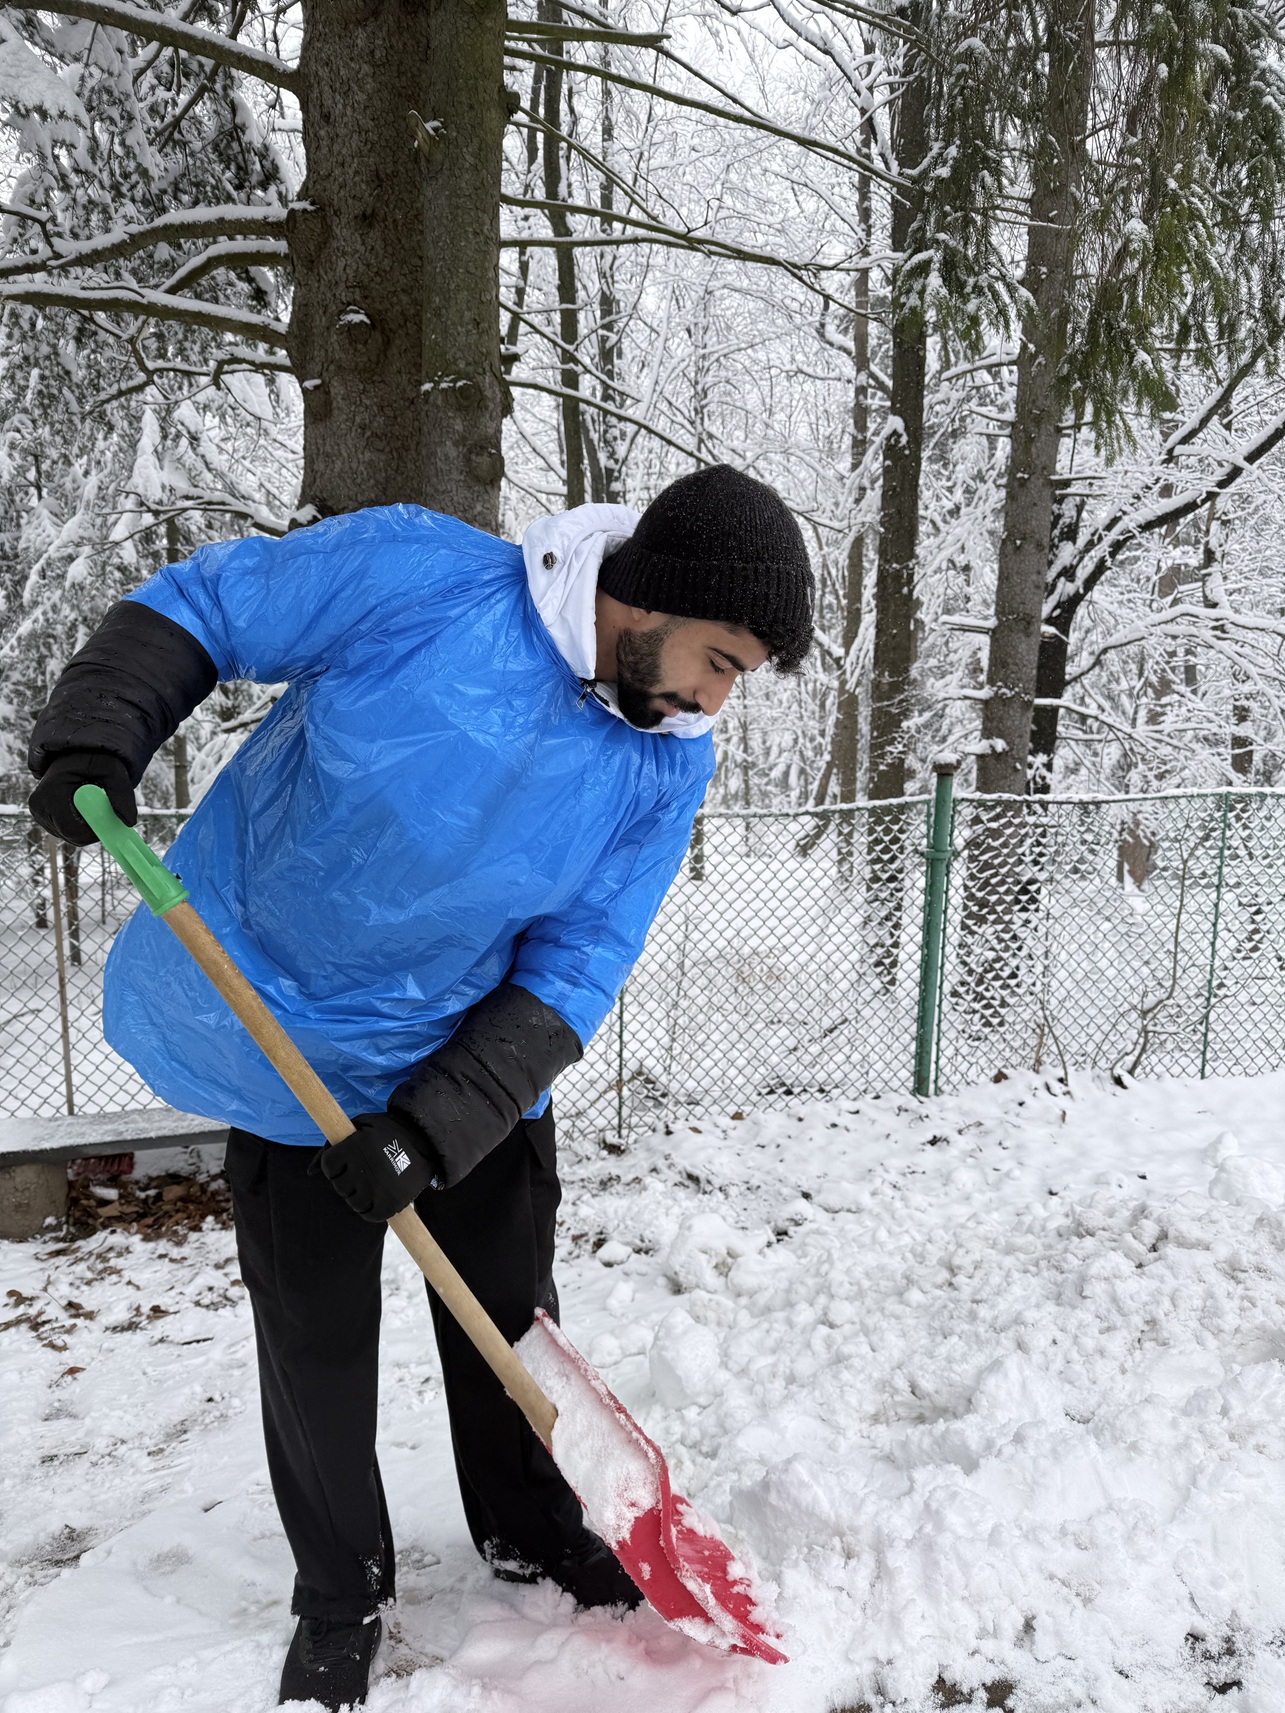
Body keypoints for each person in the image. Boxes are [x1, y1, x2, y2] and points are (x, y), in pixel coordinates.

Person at [27, 463, 814, 1709]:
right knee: (316, 1343)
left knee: (510, 1321)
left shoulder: (666, 764)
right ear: (645, 599)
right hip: (289, 1043)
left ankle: (533, 1532)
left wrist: (438, 1126)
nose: (718, 697)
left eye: (738, 679)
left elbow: (579, 959)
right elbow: (210, 605)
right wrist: (102, 725)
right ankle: (340, 1592)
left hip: (473, 1068)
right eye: (718, 658)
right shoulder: (423, 578)